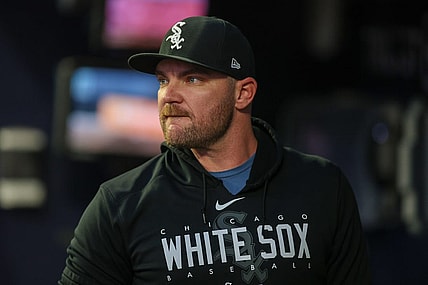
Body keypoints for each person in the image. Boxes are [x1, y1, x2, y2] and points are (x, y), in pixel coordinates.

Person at [58, 16, 371, 284]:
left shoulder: (323, 186)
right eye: (163, 80)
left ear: (243, 93)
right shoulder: (118, 205)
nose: (170, 96)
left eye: (193, 79)